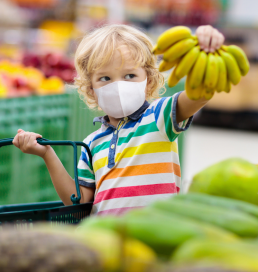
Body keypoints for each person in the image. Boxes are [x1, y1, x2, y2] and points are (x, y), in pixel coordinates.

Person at [13, 24, 224, 216]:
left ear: (149, 81)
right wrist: (47, 154)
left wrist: (206, 50)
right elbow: (78, 203)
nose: (119, 86)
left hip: (155, 238)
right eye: (105, 78)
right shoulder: (91, 144)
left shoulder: (160, 117)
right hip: (109, 243)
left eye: (130, 76)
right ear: (91, 90)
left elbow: (202, 92)